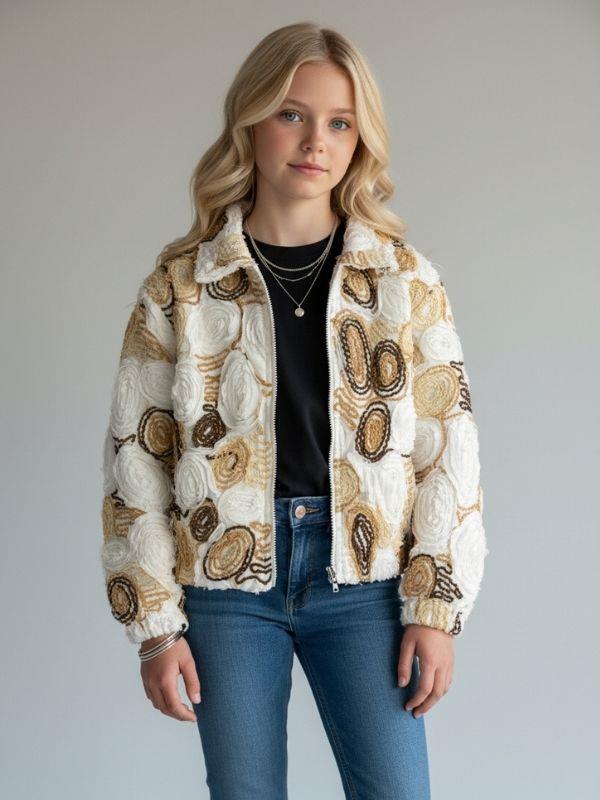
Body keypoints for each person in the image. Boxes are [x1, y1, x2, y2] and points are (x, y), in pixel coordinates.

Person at [100, 21, 488, 800]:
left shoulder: (404, 280)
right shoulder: (181, 287)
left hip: (367, 583)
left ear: (360, 140)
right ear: (250, 120)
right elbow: (136, 459)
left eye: (340, 123)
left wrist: (436, 604)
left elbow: (449, 450)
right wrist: (155, 628)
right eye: (292, 114)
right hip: (225, 587)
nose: (316, 141)